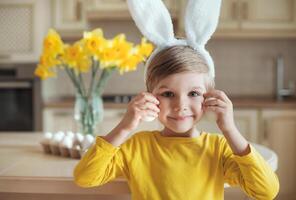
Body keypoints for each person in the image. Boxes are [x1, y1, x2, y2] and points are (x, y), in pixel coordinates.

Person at [74, 0, 279, 199]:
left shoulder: (218, 149)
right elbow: (85, 177)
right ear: (149, 96)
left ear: (209, 96)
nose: (180, 106)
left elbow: (266, 191)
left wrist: (230, 130)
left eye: (194, 94)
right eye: (168, 94)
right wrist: (125, 126)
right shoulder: (137, 147)